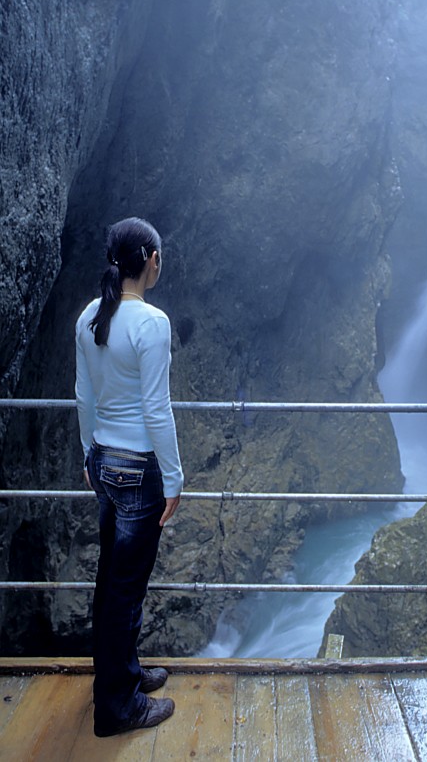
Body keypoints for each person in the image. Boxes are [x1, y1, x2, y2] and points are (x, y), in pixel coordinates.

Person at [75, 216, 184, 738]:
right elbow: (156, 409)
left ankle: (124, 675)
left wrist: (87, 454)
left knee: (110, 584)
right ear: (151, 261)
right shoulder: (152, 323)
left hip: (103, 461)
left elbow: (84, 396)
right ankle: (117, 708)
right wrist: (175, 477)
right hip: (140, 470)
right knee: (126, 589)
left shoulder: (88, 316)